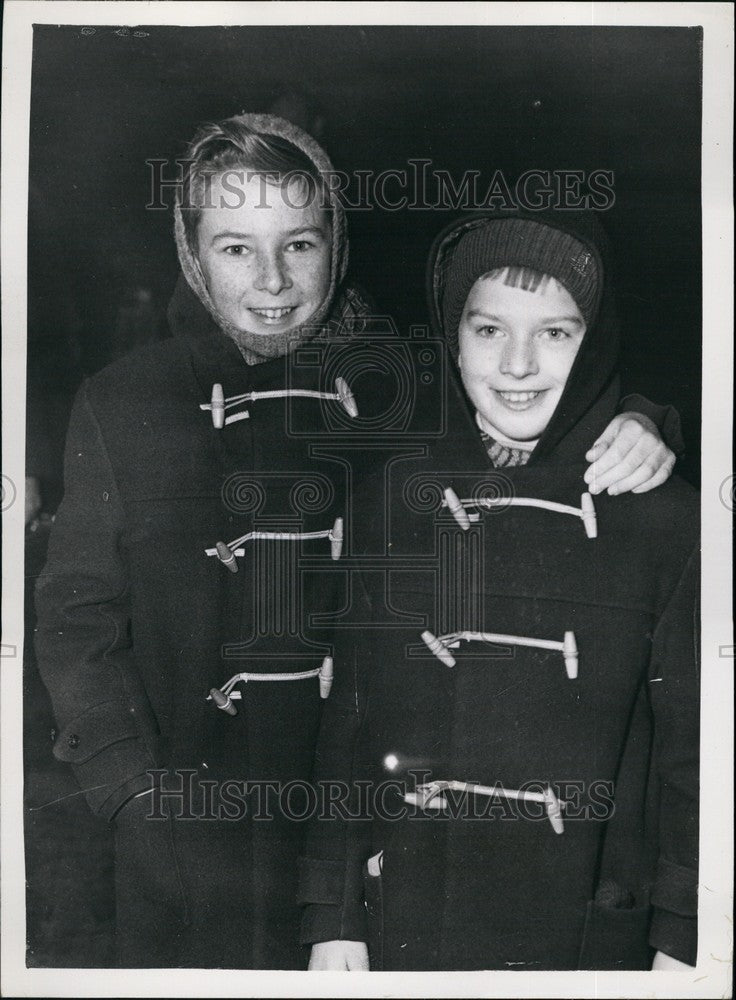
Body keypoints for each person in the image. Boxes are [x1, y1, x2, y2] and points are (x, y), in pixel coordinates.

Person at [34, 112, 677, 969]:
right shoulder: (122, 404)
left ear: (335, 240)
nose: (271, 279)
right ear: (191, 253)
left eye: (298, 243)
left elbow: (536, 403)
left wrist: (646, 422)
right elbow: (77, 619)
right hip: (186, 834)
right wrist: (131, 795)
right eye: (235, 247)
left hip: (364, 841)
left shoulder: (401, 383)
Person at [301, 211, 699, 972]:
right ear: (452, 338)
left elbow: (696, 763)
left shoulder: (668, 522)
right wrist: (334, 916)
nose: (517, 364)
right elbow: (346, 727)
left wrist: (685, 940)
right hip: (406, 925)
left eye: (556, 332)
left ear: (599, 340)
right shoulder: (391, 501)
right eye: (488, 330)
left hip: (588, 941)